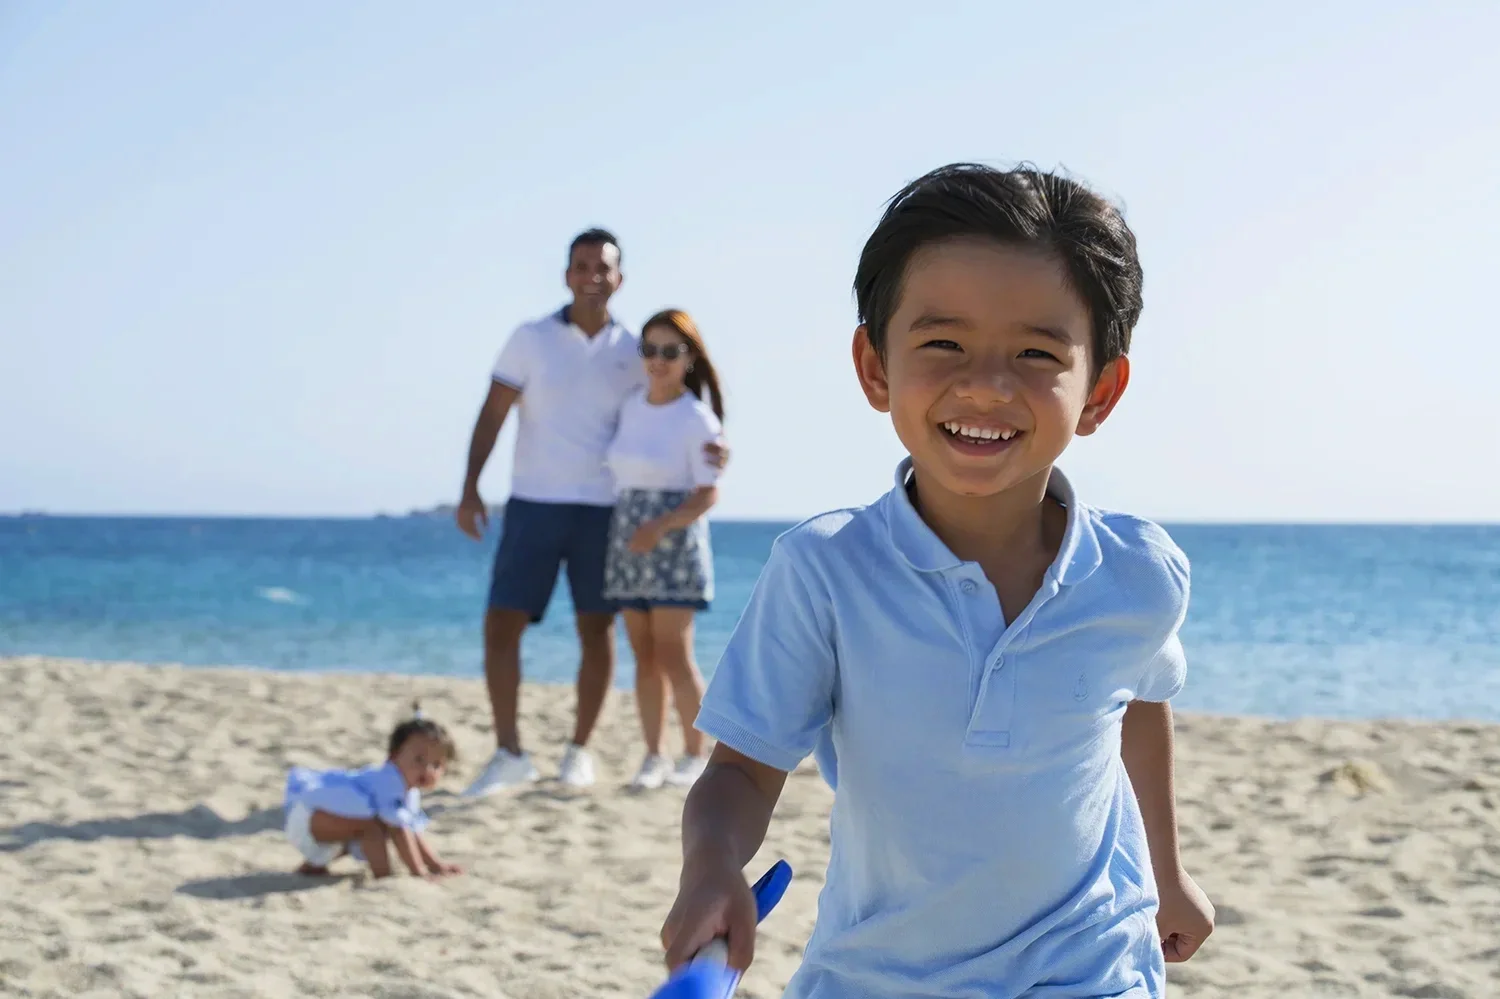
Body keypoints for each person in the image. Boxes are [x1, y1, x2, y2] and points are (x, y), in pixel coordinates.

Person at [660, 163, 1215, 998]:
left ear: (1099, 389)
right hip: (876, 975)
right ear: (876, 366)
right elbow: (742, 771)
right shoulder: (826, 572)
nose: (987, 384)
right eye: (943, 343)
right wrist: (709, 867)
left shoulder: (1138, 572)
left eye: (1036, 352)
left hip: (1090, 970)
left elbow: (1139, 700)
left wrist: (1168, 872)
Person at [456, 230, 727, 795]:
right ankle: (508, 753)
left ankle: (579, 752)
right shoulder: (529, 339)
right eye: (581, 266)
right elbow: (493, 412)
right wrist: (470, 486)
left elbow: (674, 401)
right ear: (566, 274)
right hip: (533, 502)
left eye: (602, 268)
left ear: (619, 278)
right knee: (500, 623)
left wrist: (716, 450)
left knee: (595, 630)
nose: (591, 276)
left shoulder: (635, 350)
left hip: (605, 512)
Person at [602, 309, 725, 790]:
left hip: (673, 540)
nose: (657, 360)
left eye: (669, 351)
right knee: (644, 655)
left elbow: (708, 490)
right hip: (628, 537)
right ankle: (654, 755)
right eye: (649, 350)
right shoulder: (630, 405)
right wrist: (640, 530)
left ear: (688, 357)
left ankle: (695, 754)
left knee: (675, 653)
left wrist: (662, 526)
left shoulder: (697, 417)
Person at [283, 703, 462, 879]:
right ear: (393, 756)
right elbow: (400, 831)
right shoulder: (389, 781)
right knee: (372, 829)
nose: (427, 770)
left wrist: (436, 865)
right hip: (307, 819)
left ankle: (313, 865)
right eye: (419, 760)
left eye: (436, 765)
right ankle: (383, 876)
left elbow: (412, 830)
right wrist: (419, 872)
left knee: (367, 825)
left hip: (318, 824)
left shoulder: (408, 791)